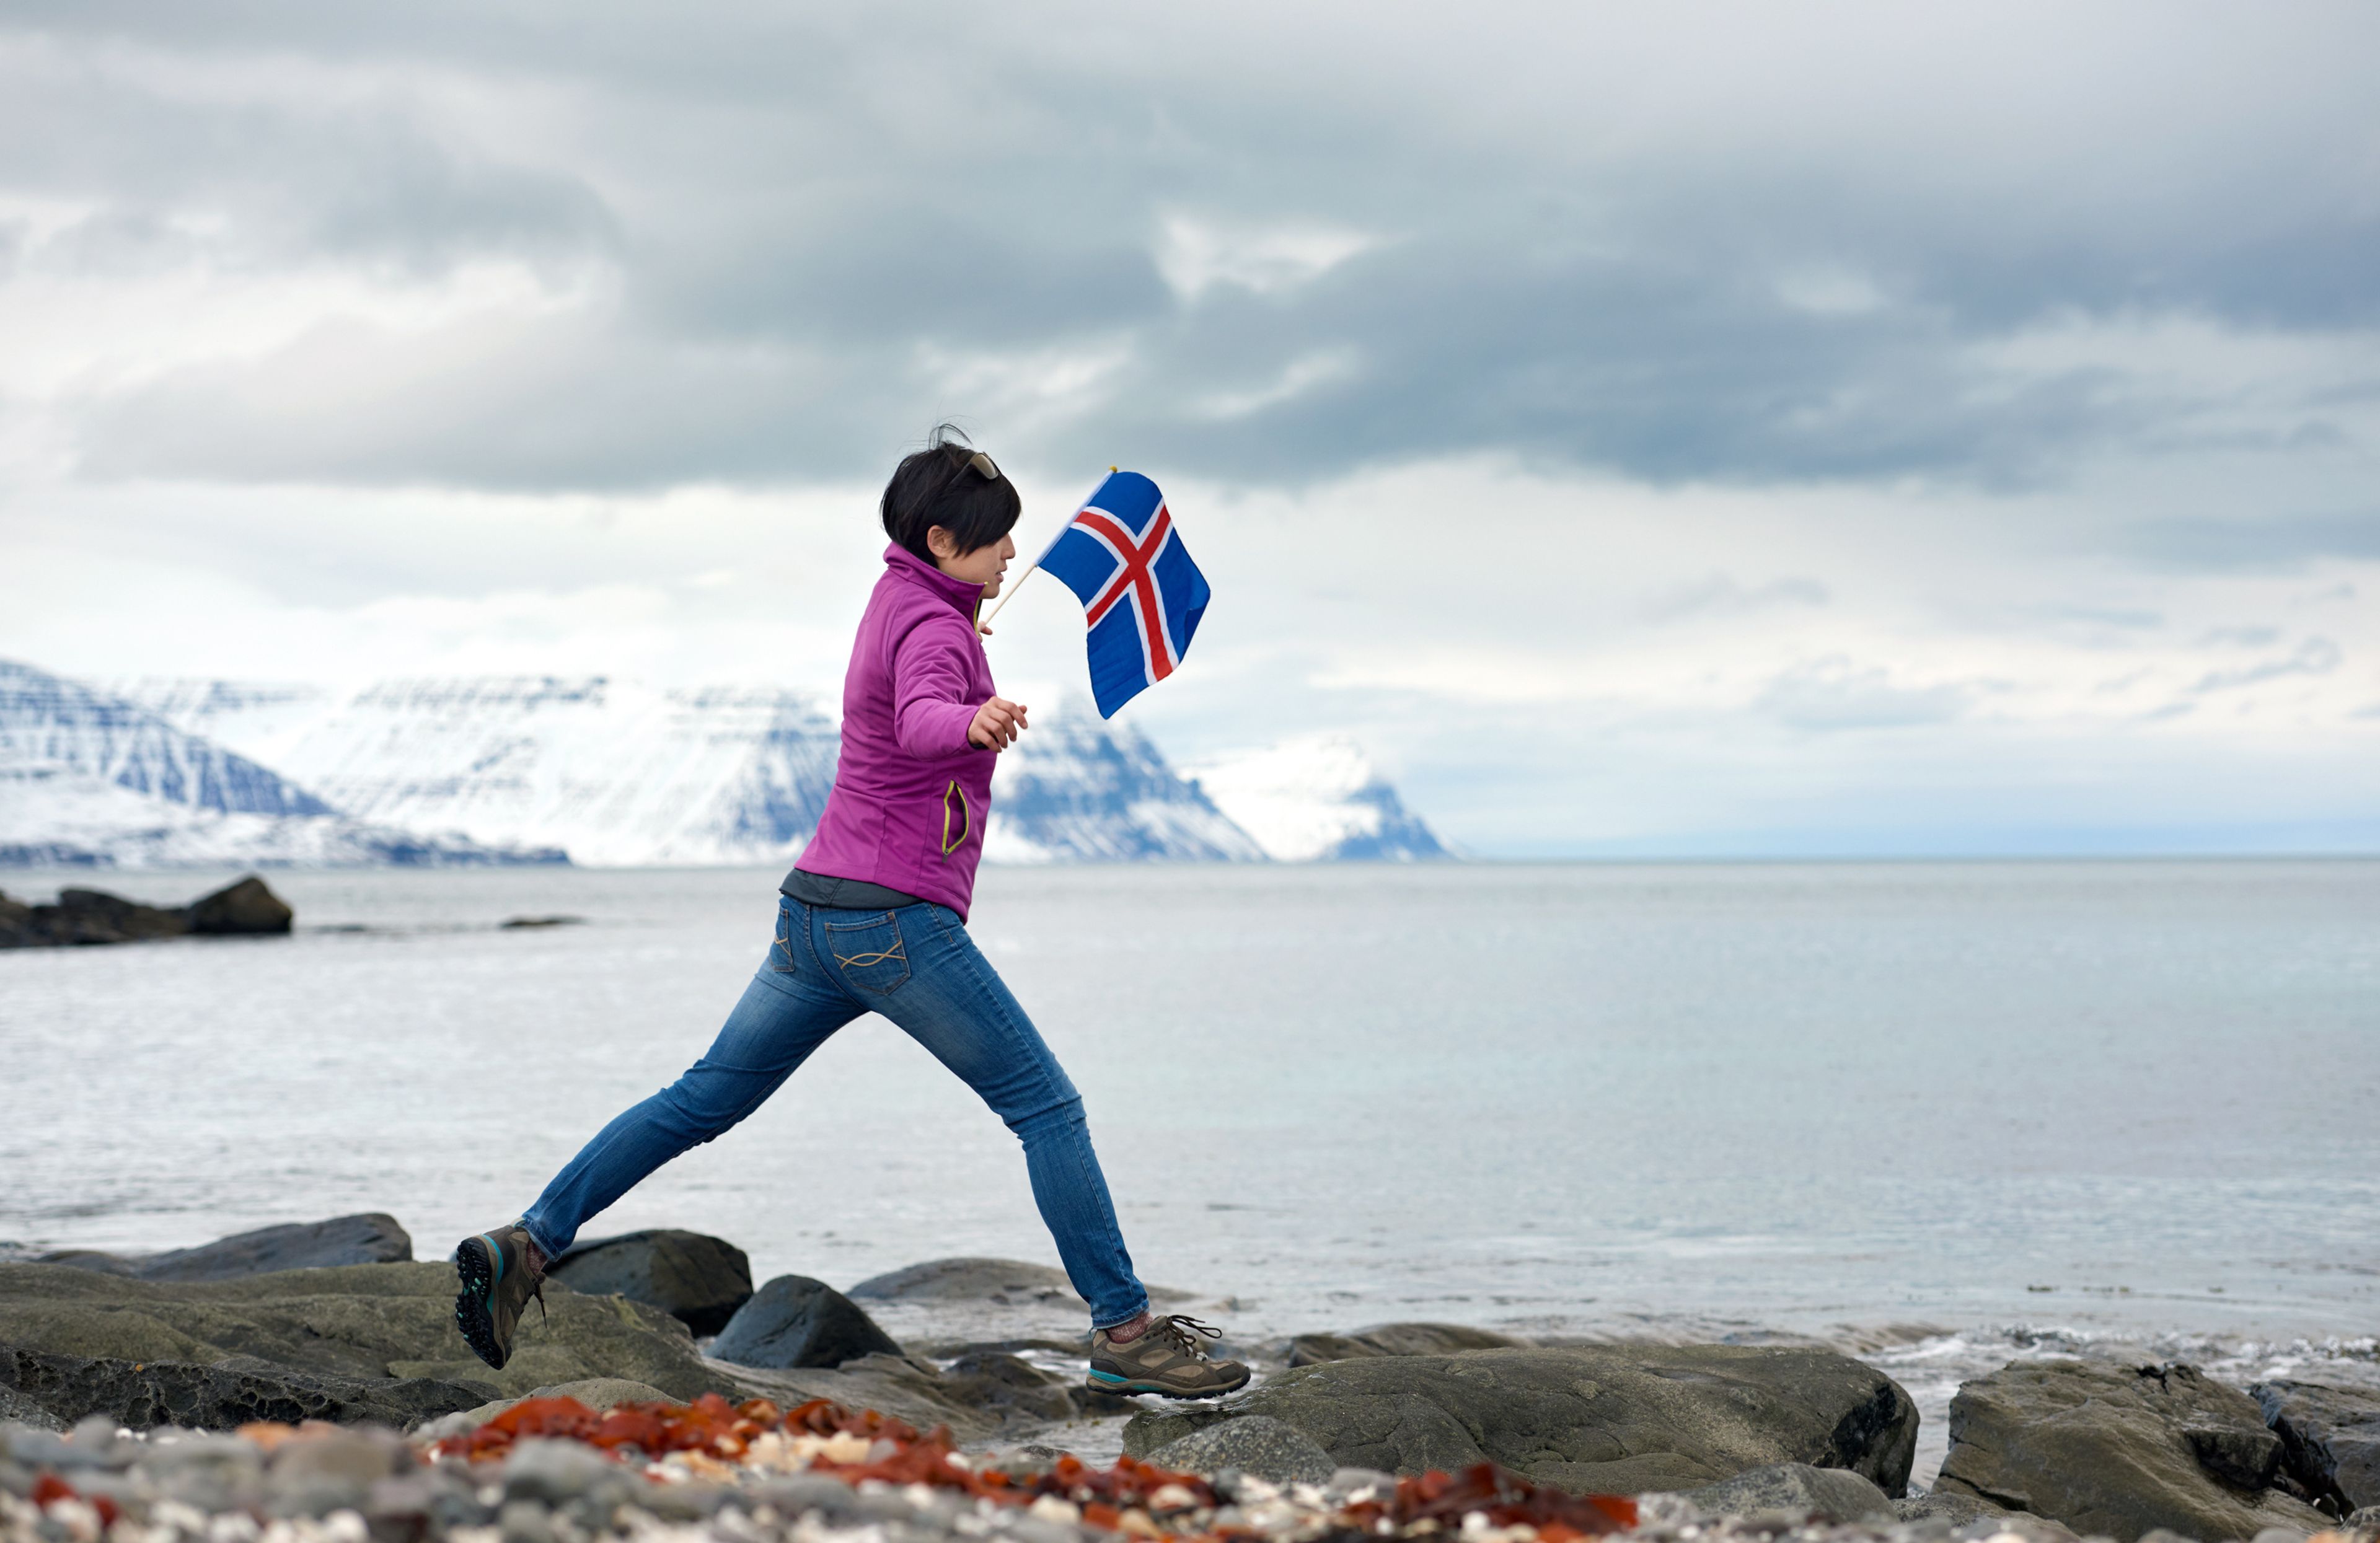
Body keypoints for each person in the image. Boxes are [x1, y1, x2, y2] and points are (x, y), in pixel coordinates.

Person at [451, 428, 1247, 1399]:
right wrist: (970, 717)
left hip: (812, 918)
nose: (1013, 556)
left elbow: (914, 683)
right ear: (945, 538)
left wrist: (960, 664)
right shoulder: (934, 628)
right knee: (1048, 1108)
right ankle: (1124, 1329)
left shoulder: (900, 599)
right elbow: (919, 719)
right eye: (997, 540)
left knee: (702, 1098)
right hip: (894, 924)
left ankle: (528, 1243)